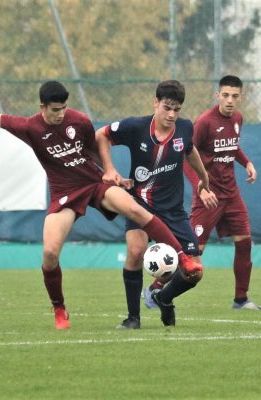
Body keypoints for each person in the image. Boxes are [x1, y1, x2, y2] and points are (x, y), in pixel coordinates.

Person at [0, 80, 203, 330]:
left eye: (63, 108)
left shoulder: (79, 120)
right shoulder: (29, 127)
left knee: (135, 208)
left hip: (95, 184)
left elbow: (94, 147)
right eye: (55, 110)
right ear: (42, 107)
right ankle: (59, 308)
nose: (61, 114)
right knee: (50, 254)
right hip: (64, 193)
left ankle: (183, 259)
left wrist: (109, 171)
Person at [95, 80, 213, 329]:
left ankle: (163, 297)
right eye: (167, 107)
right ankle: (132, 318)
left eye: (176, 109)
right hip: (139, 204)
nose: (171, 114)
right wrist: (109, 169)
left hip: (173, 211)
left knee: (195, 270)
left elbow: (190, 150)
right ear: (155, 103)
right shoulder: (135, 127)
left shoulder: (184, 128)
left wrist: (203, 177)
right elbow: (101, 135)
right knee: (136, 252)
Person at [183, 75, 261, 311]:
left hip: (231, 194)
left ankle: (241, 299)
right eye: (226, 95)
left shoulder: (238, 118)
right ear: (217, 95)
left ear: (241, 97)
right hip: (208, 196)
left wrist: (247, 163)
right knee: (194, 252)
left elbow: (232, 146)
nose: (230, 100)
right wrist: (200, 188)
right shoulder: (204, 122)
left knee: (244, 243)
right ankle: (156, 287)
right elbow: (187, 158)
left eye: (235, 96)